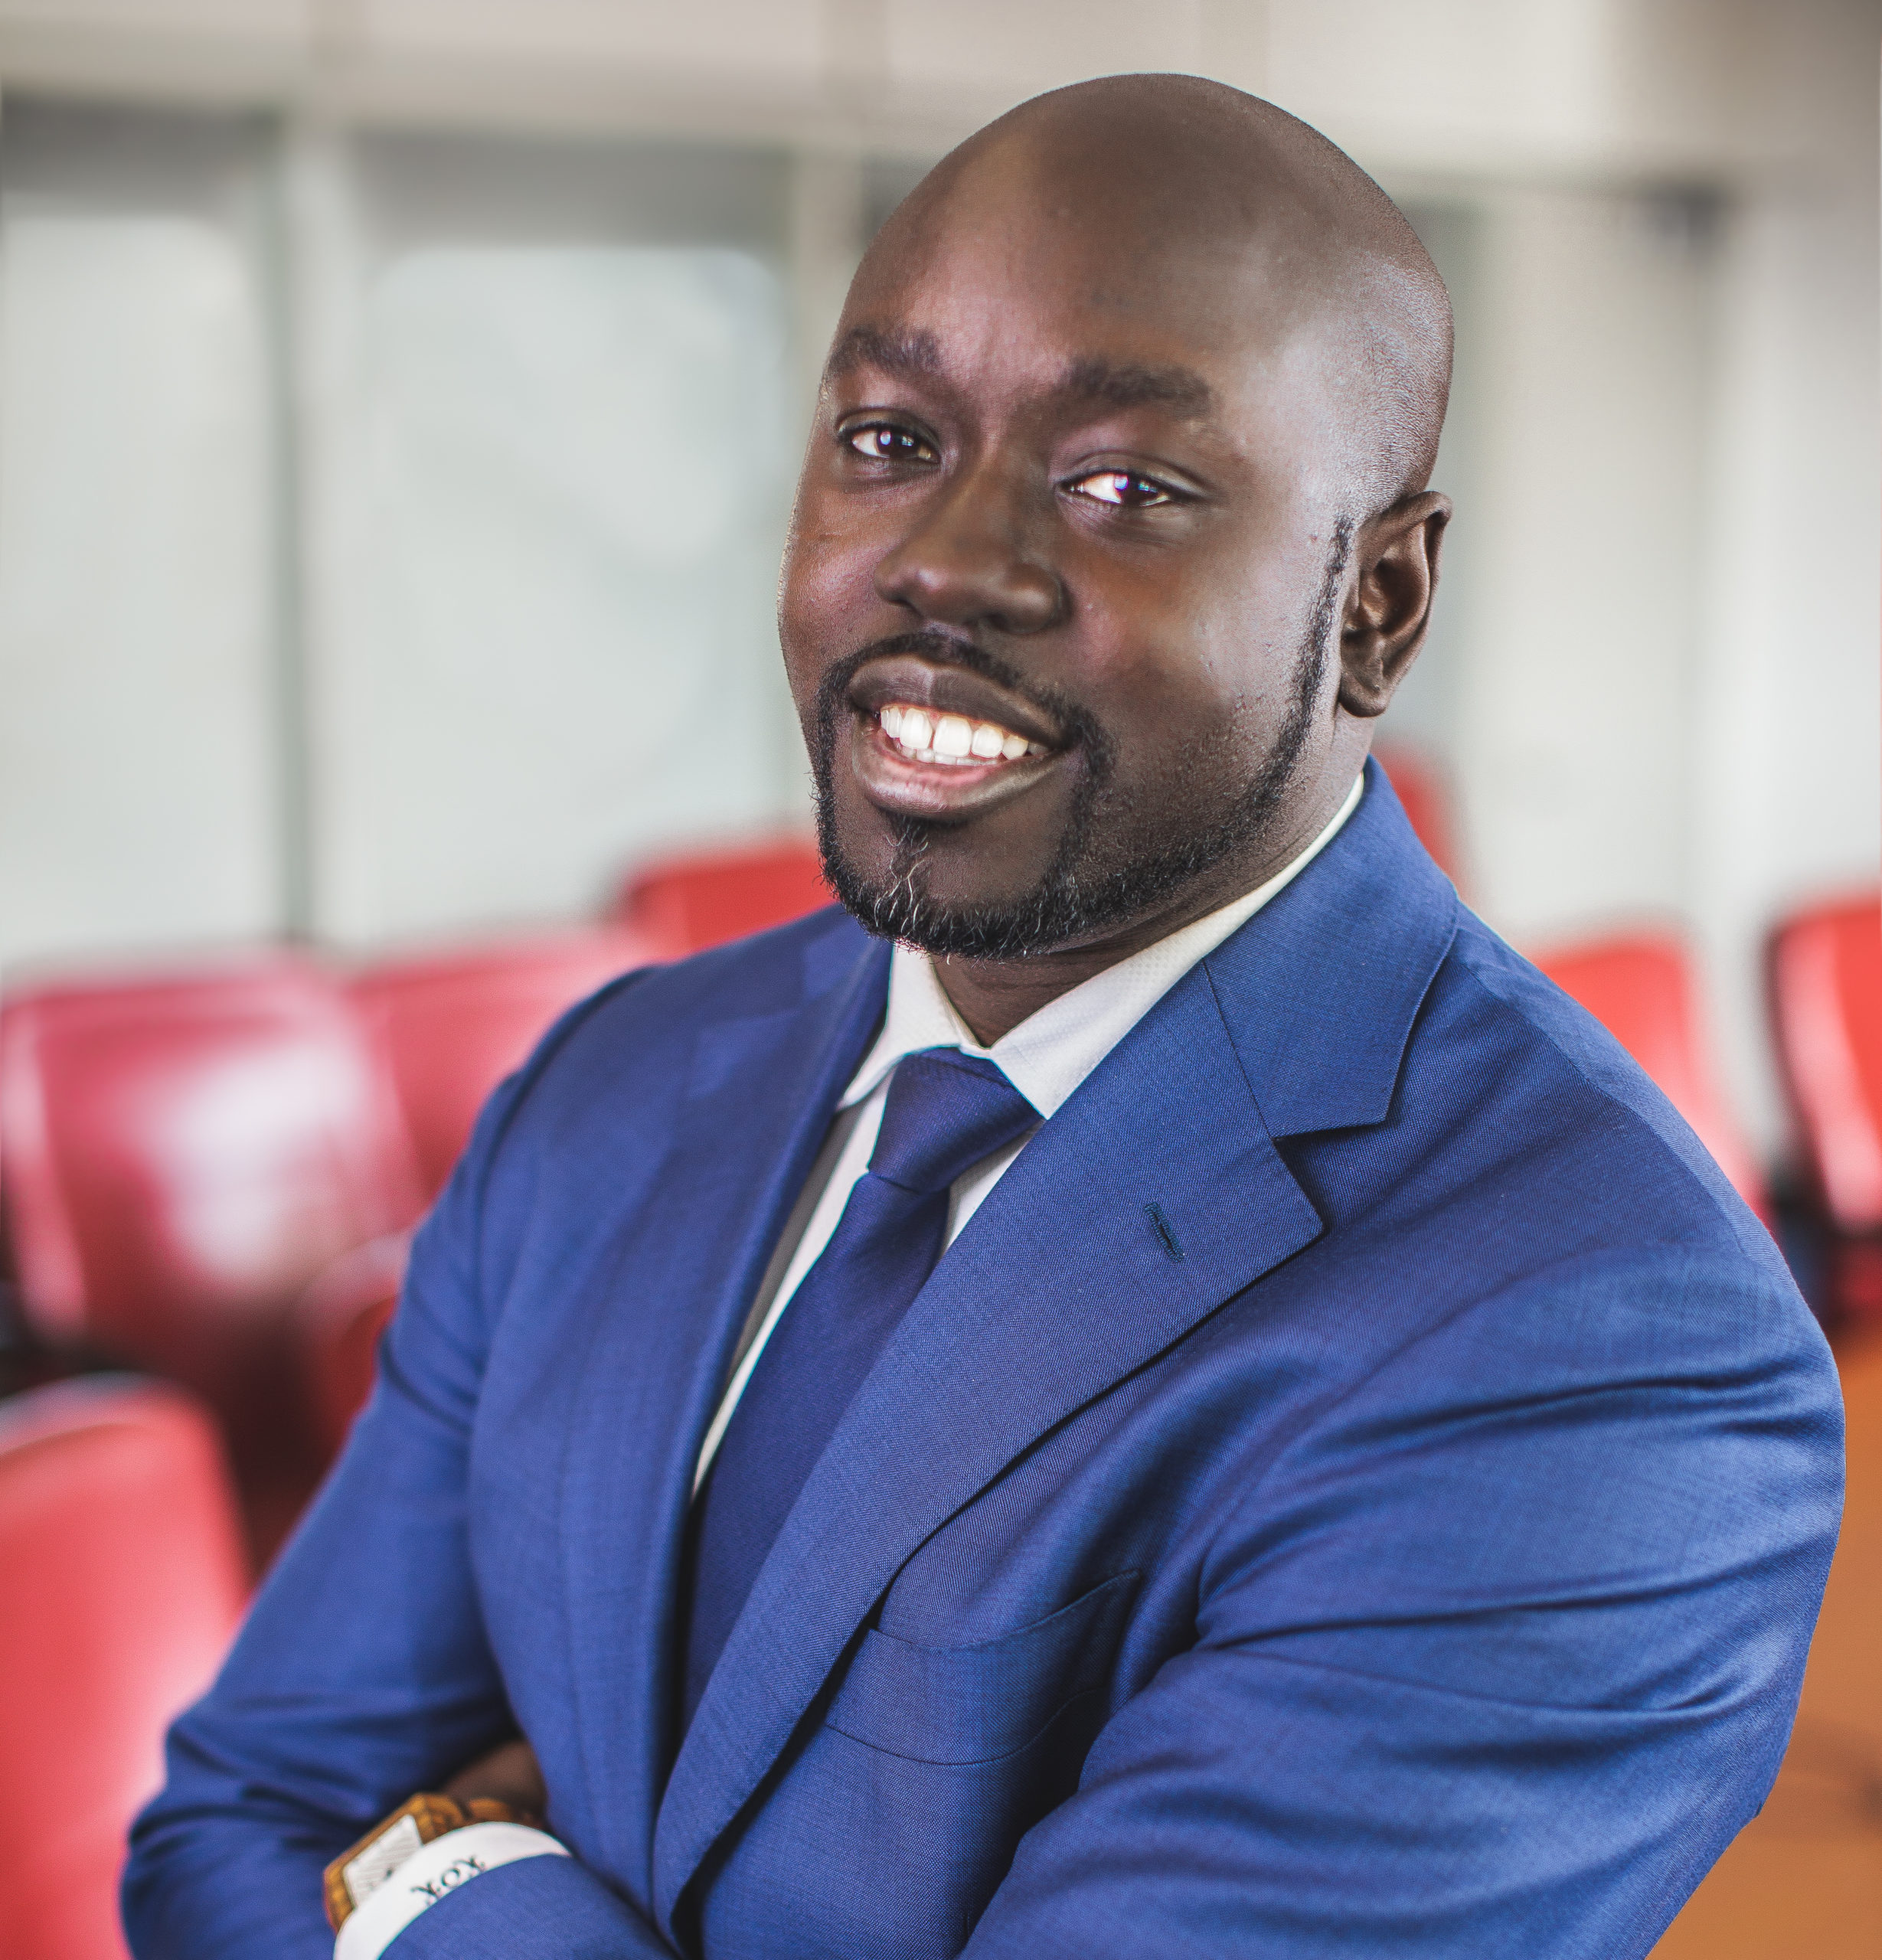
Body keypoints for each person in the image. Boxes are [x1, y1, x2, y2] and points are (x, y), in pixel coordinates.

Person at [123, 75, 1841, 1960]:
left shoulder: (1594, 1341)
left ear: (1376, 600)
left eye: (1124, 484)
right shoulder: (608, 1092)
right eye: (885, 434)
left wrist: (446, 1876)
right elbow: (244, 1822)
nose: (943, 558)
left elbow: (339, 1856)